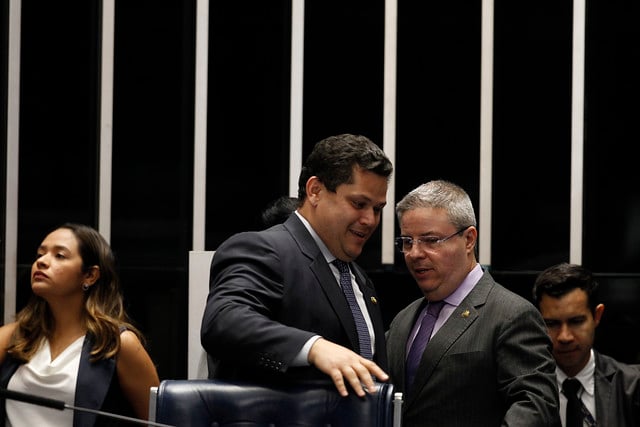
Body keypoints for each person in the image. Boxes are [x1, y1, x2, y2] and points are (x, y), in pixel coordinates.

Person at [201, 133, 393, 397]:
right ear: (315, 191)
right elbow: (224, 322)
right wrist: (314, 348)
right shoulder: (265, 249)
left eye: (378, 209)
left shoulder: (358, 278)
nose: (370, 220)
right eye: (359, 204)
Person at [386, 179, 560, 426]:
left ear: (469, 239)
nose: (415, 253)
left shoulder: (511, 315)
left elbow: (536, 408)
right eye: (407, 241)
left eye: (430, 240)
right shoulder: (403, 320)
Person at [0, 223, 160, 426]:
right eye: (40, 254)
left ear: (90, 275)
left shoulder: (119, 344)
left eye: (59, 255)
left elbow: (158, 421)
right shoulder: (13, 336)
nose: (41, 262)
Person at [532, 262, 640, 426]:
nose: (565, 336)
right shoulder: (526, 390)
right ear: (538, 323)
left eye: (576, 321)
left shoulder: (632, 387)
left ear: (597, 315)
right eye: (552, 324)